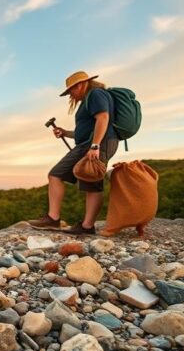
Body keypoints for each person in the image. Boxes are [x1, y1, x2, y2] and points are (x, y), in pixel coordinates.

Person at [29, 71, 120, 235]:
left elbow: (103, 118)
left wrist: (95, 146)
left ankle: (53, 219)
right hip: (96, 142)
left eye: (71, 90)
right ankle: (86, 226)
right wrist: (65, 133)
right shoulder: (90, 98)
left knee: (56, 174)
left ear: (81, 85)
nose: (70, 94)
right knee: (91, 181)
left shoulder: (95, 94)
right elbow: (85, 130)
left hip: (96, 143)